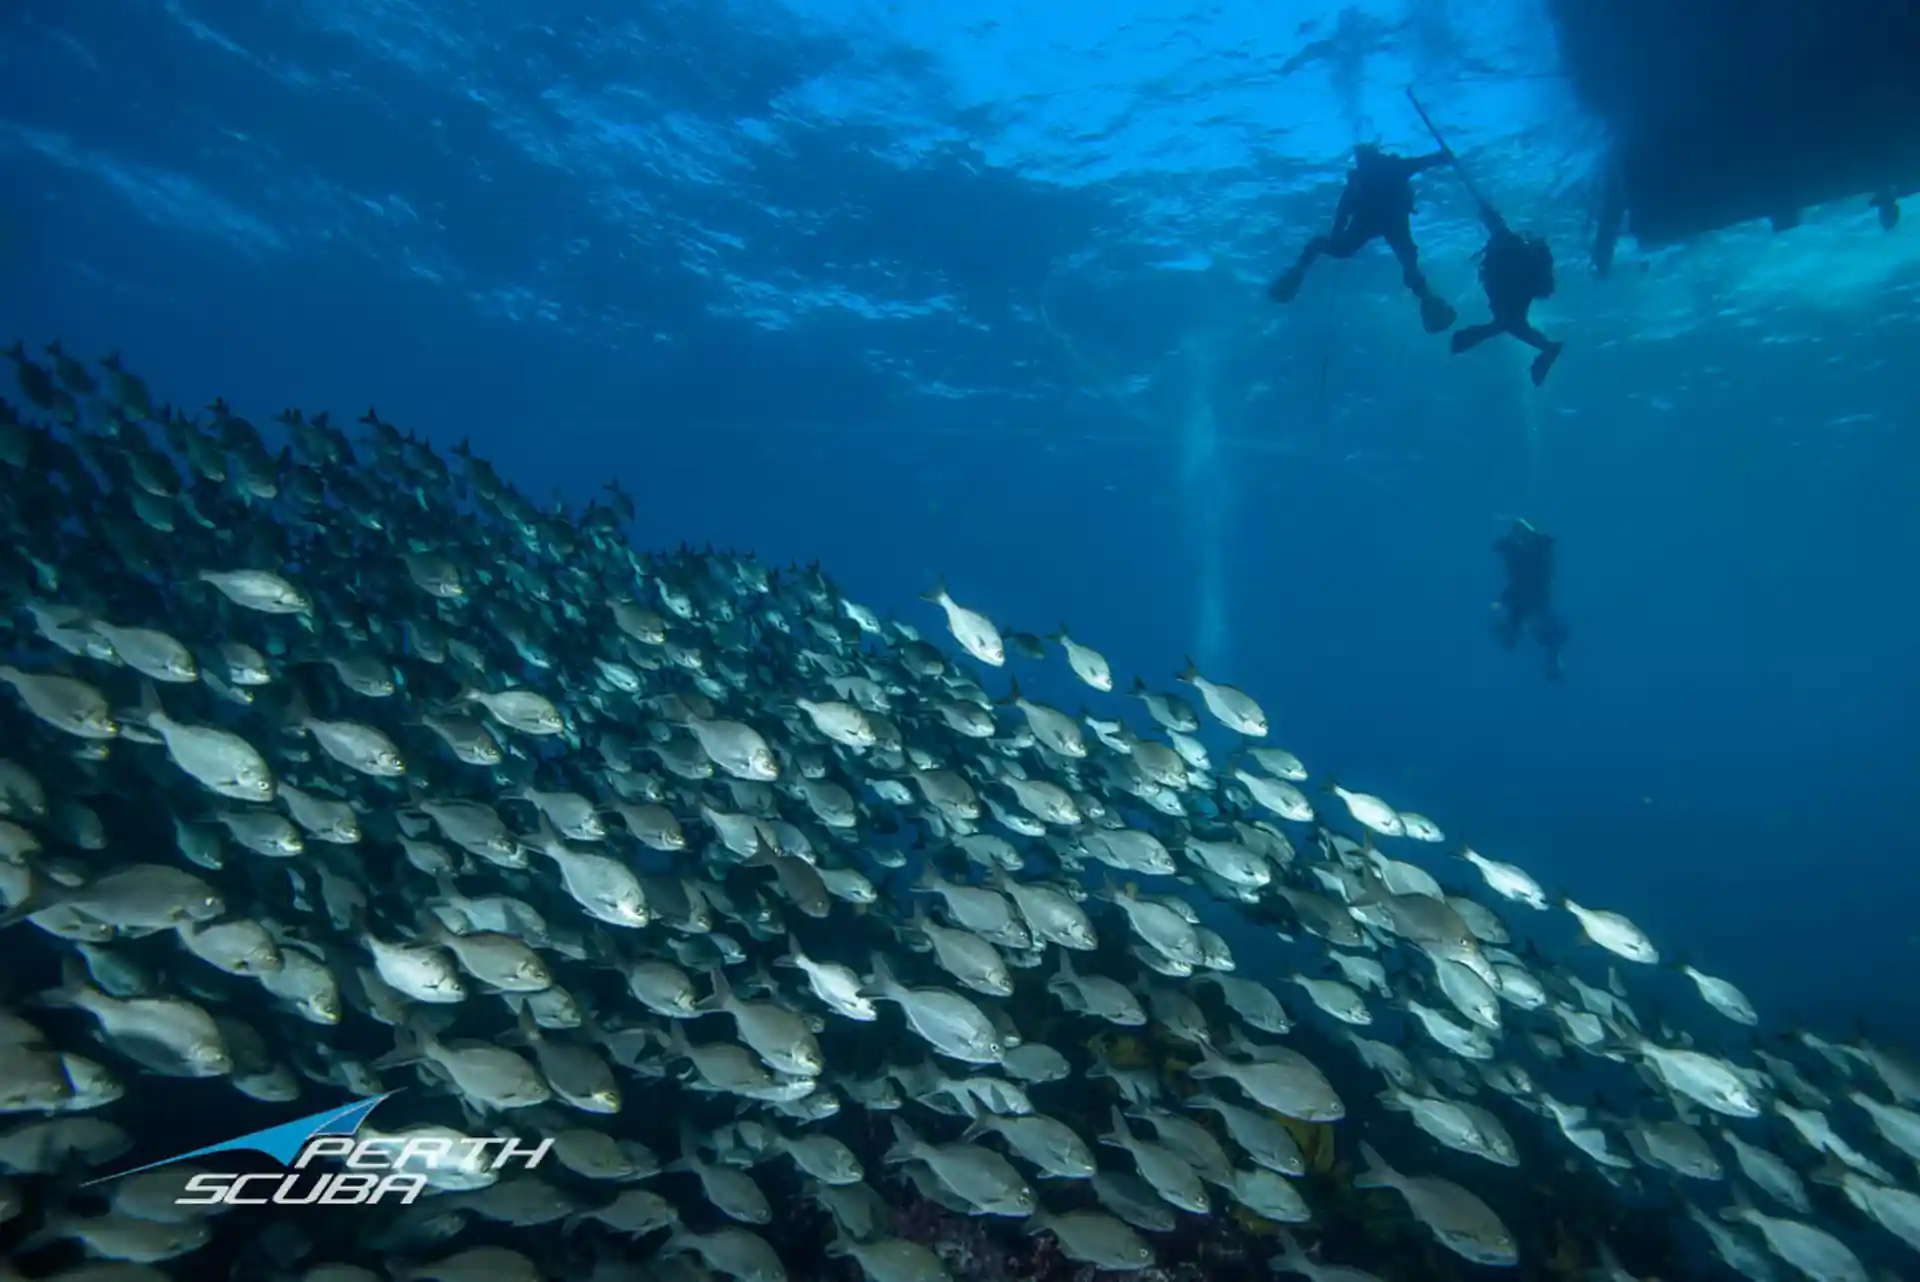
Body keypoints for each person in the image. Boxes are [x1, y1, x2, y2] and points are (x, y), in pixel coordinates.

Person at [1267, 144, 1459, 334]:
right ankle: (1428, 300)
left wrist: (1336, 238)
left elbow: (1342, 214)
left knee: (1402, 258)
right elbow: (1421, 163)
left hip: (1374, 221)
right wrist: (1442, 157)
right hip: (1390, 219)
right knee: (1408, 260)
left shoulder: (1366, 177)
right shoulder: (1379, 172)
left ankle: (1297, 271)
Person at [1450, 204, 1565, 387]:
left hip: (1511, 285)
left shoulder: (1506, 242)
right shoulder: (1510, 242)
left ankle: (1549, 348)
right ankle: (1549, 348)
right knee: (1510, 323)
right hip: (1514, 284)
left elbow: (1498, 266)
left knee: (1509, 323)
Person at [1492, 519, 1566, 681]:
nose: (1520, 538)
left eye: (1523, 533)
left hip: (1535, 592)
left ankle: (1553, 657)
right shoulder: (1512, 549)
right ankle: (1512, 633)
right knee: (1512, 614)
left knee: (1542, 622)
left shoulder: (1539, 548)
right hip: (1519, 591)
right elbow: (1499, 546)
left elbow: (1547, 548)